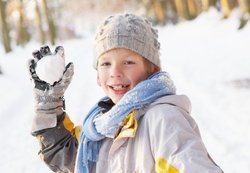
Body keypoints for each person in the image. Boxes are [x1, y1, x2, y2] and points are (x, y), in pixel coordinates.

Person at [28, 13, 223, 173]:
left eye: (128, 62)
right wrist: (49, 105)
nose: (115, 73)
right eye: (105, 64)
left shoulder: (163, 120)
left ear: (153, 70)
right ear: (97, 76)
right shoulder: (102, 127)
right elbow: (67, 155)